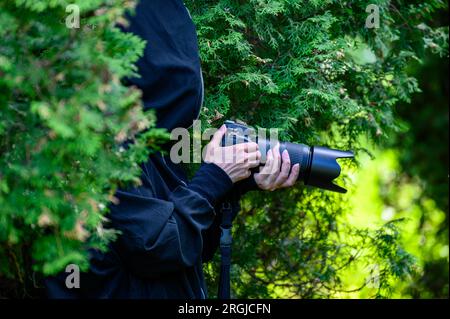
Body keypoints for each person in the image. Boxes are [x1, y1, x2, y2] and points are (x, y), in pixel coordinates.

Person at [46, 0, 299, 298]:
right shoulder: (96, 152)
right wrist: (214, 179)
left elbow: (188, 247)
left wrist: (232, 185)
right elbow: (156, 247)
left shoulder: (151, 148)